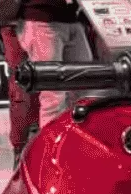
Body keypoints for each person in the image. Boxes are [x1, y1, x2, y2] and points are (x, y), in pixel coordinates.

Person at [16, 0, 92, 128]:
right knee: (53, 96)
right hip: (41, 18)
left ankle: (73, 136)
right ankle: (53, 139)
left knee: (84, 88)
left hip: (71, 18)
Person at [0, 22, 39, 166]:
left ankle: (21, 150)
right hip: (18, 22)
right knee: (22, 82)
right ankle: (20, 151)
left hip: (42, 20)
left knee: (24, 82)